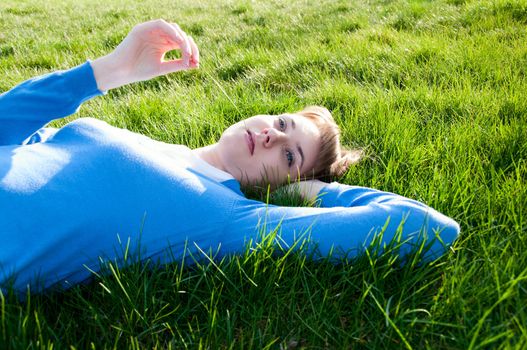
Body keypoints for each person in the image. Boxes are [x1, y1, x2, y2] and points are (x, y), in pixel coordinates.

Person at [0, 20, 460, 295]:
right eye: (281, 123)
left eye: (289, 156)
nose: (269, 137)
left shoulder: (225, 217)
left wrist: (320, 191)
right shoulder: (154, 147)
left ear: (283, 185)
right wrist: (110, 70)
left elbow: (429, 229)